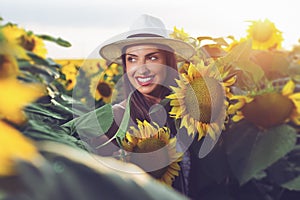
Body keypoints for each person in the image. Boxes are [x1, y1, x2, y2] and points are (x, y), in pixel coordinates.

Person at [89, 14, 198, 198]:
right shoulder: (115, 120)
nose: (141, 68)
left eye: (152, 58)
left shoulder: (188, 113)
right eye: (132, 59)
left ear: (168, 61)